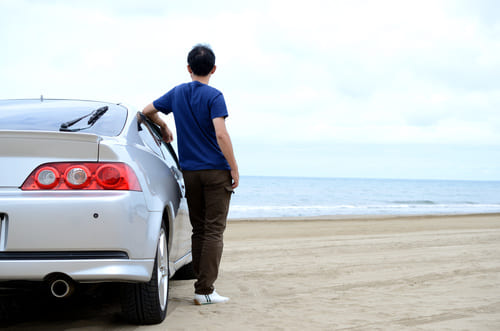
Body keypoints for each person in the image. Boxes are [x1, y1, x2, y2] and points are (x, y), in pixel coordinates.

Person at [142, 44, 239, 305]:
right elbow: (221, 133)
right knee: (214, 231)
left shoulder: (177, 93)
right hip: (215, 171)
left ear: (188, 68)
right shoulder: (214, 95)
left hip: (190, 172)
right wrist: (234, 167)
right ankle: (205, 290)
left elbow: (146, 111)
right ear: (214, 69)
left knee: (199, 229)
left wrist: (162, 126)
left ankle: (201, 285)